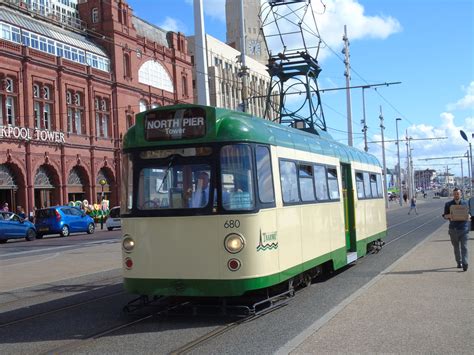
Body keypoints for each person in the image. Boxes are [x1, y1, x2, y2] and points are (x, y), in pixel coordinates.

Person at [442, 188, 469, 271]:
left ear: (461, 194)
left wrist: (469, 217)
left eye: (458, 193)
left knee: (464, 247)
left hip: (464, 229)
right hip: (453, 229)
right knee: (456, 248)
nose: (456, 195)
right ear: (453, 195)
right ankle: (459, 262)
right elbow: (444, 216)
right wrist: (450, 216)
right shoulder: (448, 204)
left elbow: (469, 214)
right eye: (455, 194)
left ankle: (465, 263)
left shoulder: (465, 203)